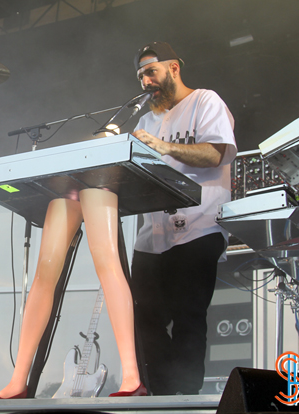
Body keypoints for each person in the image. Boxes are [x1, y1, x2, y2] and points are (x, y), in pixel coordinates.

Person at [129, 42, 237, 395]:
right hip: (152, 236)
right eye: (140, 75)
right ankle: (161, 395)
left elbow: (216, 153)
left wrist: (166, 147)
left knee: (190, 319)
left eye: (151, 71)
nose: (145, 81)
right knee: (143, 321)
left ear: (173, 67)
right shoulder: (146, 119)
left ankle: (185, 397)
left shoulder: (206, 101)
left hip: (199, 226)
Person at [0, 189, 146, 399]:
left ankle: (131, 377)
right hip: (65, 179)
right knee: (45, 269)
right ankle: (17, 382)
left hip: (97, 170)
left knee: (106, 260)